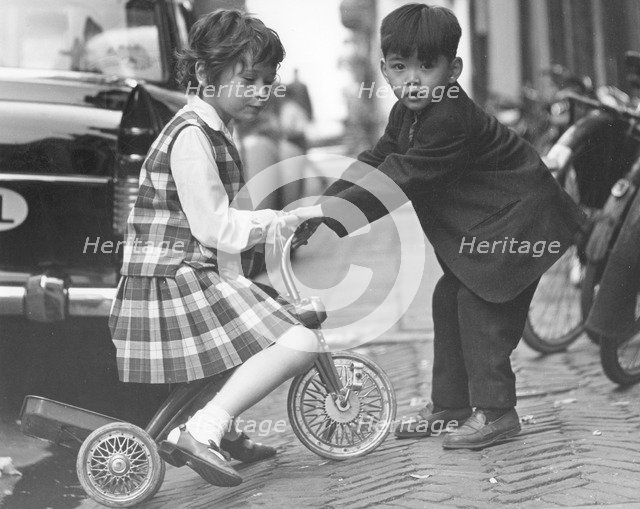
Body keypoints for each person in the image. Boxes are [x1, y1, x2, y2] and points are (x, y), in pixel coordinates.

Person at [296, 3, 587, 450]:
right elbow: (377, 161)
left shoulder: (450, 117)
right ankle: (451, 405)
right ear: (385, 70)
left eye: (427, 66)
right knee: (448, 294)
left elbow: (403, 176)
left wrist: (328, 216)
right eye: (400, 67)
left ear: (454, 70)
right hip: (494, 225)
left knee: (478, 302)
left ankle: (497, 412)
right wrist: (320, 207)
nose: (412, 79)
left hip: (524, 222)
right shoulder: (406, 113)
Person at [109, 10, 323, 487]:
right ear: (204, 74)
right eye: (248, 79)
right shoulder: (190, 136)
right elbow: (212, 226)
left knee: (251, 335)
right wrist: (269, 224)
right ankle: (203, 429)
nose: (261, 91)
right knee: (299, 340)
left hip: (183, 272)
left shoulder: (215, 128)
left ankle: (222, 432)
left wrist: (274, 226)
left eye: (268, 81)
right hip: (171, 280)